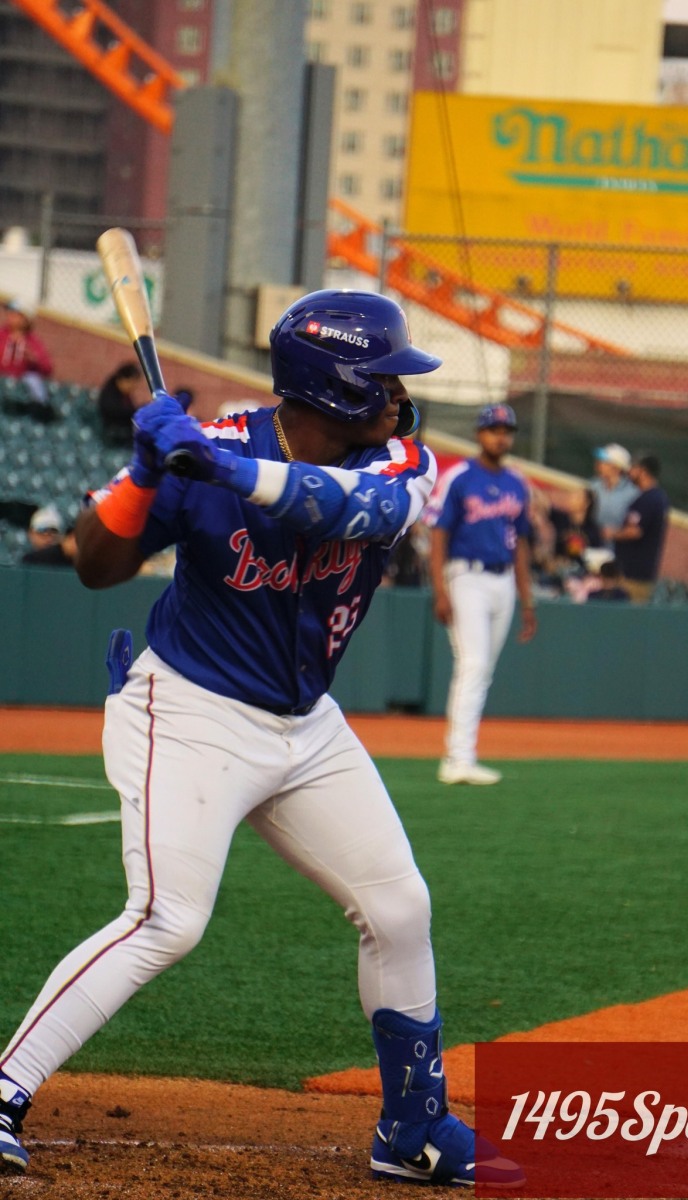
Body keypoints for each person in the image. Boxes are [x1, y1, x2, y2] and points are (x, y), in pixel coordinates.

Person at [0, 289, 523, 1192]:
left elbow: (355, 512)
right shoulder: (209, 449)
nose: (402, 397)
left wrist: (225, 472)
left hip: (305, 725)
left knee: (399, 909)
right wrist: (145, 475)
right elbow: (96, 565)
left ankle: (412, 1129)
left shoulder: (399, 460)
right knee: (168, 918)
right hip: (189, 711)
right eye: (386, 380)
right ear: (335, 389)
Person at [427, 403, 537, 786]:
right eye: (494, 430)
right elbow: (438, 535)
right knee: (473, 665)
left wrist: (527, 599)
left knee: (482, 670)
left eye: (507, 431)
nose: (501, 437)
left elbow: (521, 544)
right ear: (480, 434)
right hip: (466, 576)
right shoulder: (459, 477)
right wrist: (440, 590)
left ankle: (462, 755)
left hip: (503, 581)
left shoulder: (517, 482)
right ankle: (457, 758)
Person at [605, 453, 670, 604]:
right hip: (628, 572)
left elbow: (635, 531)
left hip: (636, 576)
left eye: (633, 468)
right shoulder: (647, 497)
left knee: (630, 613)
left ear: (643, 471)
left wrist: (612, 533)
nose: (630, 472)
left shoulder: (651, 499)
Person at [0, 298, 54, 416]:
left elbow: (48, 368)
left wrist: (33, 359)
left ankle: (39, 413)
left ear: (25, 319)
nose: (11, 316)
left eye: (16, 314)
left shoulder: (32, 341)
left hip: (22, 382)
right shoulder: (2, 335)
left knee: (33, 379)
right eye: (10, 313)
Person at [589, 443, 640, 543]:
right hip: (591, 544)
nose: (598, 463)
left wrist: (615, 533)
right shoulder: (593, 486)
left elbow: (635, 528)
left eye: (604, 461)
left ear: (616, 467)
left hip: (616, 549)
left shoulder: (633, 494)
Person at [97, 361, 143, 446]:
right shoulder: (110, 397)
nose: (133, 387)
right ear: (123, 380)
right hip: (114, 434)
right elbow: (120, 413)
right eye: (131, 383)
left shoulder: (124, 394)